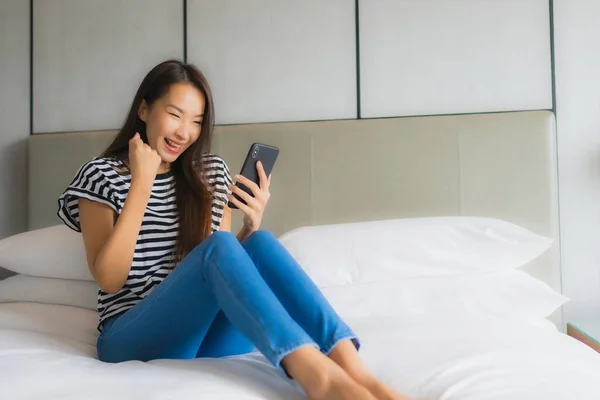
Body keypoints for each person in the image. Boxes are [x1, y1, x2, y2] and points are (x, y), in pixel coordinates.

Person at [57, 59, 410, 400]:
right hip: (131, 339)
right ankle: (318, 378)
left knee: (259, 242)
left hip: (202, 336)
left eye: (196, 121)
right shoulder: (101, 175)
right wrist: (141, 184)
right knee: (221, 246)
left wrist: (250, 227)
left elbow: (218, 268)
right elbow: (110, 279)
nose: (185, 132)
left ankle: (358, 374)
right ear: (144, 110)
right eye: (174, 114)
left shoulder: (210, 173)